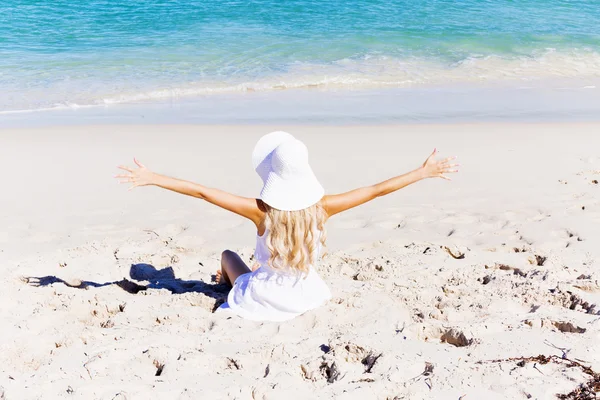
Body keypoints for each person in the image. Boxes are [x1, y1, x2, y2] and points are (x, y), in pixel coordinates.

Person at [116, 131, 458, 321]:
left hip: (262, 295)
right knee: (261, 263)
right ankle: (242, 276)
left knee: (227, 254)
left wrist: (153, 177)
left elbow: (205, 193)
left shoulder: (261, 211)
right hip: (304, 294)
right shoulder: (323, 208)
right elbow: (374, 190)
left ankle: (225, 284)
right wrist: (422, 172)